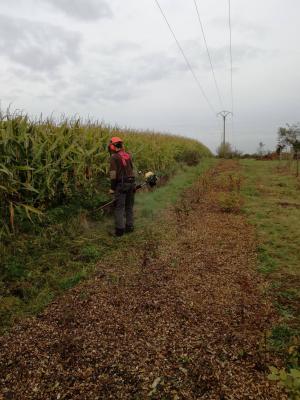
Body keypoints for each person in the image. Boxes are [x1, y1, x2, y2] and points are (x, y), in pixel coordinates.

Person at [108, 136, 135, 237]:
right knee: (129, 206)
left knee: (119, 208)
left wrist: (112, 188)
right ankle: (130, 227)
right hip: (131, 183)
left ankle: (119, 231)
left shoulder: (114, 157)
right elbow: (131, 169)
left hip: (121, 185)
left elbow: (113, 174)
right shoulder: (128, 155)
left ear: (113, 146)